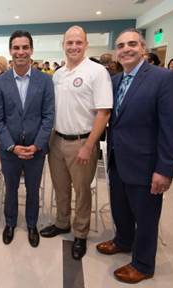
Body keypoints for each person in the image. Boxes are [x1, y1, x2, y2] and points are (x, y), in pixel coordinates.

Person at [96, 28, 173, 284]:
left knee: (146, 217)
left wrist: (165, 169)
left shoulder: (164, 78)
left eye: (132, 43)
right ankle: (123, 241)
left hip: (147, 164)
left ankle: (144, 264)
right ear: (116, 52)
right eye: (121, 45)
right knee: (120, 208)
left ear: (143, 49)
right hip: (117, 160)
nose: (126, 49)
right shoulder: (115, 81)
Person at [39, 26, 113, 260]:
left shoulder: (97, 71)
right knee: (60, 187)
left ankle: (80, 233)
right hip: (56, 139)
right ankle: (62, 223)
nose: (73, 46)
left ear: (86, 44)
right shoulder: (59, 74)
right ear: (63, 45)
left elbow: (103, 113)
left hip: (82, 142)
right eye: (69, 42)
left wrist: (89, 146)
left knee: (82, 192)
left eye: (78, 42)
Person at [0, 30, 55, 248]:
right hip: (10, 150)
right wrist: (11, 146)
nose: (21, 52)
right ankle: (10, 223)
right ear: (10, 51)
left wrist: (37, 145)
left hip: (36, 150)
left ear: (31, 50)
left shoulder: (45, 81)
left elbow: (48, 116)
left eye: (25, 47)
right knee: (10, 189)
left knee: (33, 190)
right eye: (16, 47)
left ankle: (31, 224)